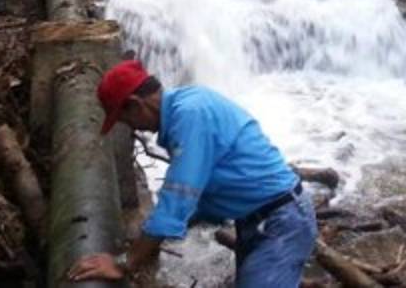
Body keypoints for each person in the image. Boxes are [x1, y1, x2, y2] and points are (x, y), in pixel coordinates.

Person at [68, 60, 317, 286]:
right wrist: (151, 236)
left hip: (282, 222)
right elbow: (198, 195)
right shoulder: (185, 106)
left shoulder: (190, 116)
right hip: (261, 218)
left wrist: (127, 261)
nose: (133, 128)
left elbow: (179, 196)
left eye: (126, 120)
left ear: (136, 104)